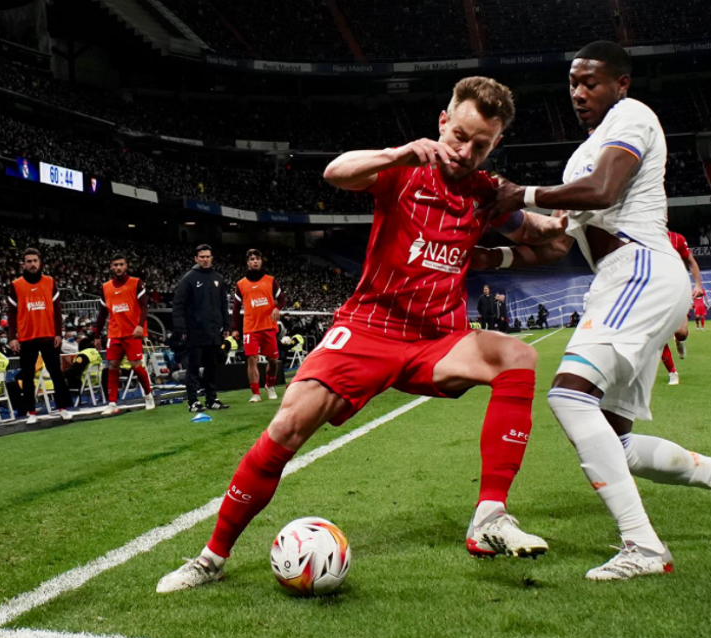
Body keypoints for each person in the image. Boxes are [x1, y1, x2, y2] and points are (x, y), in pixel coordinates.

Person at [158, 75, 566, 594]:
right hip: (370, 327)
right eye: (459, 136)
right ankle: (211, 557)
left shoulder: (487, 194)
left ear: (495, 145)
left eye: (480, 145)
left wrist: (525, 240)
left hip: (438, 338)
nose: (465, 151)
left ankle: (489, 518)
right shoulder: (402, 170)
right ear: (443, 122)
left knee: (516, 355)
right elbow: (336, 172)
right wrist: (398, 154)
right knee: (287, 426)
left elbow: (545, 245)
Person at [485, 41, 711, 581]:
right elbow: (552, 243)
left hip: (639, 269)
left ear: (621, 83)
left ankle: (643, 547)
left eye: (590, 81)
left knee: (569, 396)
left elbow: (604, 190)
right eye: (572, 83)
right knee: (613, 438)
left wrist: (519, 193)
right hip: (622, 280)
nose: (578, 93)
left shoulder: (632, 116)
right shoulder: (579, 158)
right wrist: (487, 247)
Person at [6, 248, 73, 424]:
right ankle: (32, 412)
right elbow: (12, 314)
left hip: (49, 335)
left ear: (40, 262)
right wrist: (12, 336)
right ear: (24, 264)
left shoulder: (50, 282)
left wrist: (59, 333)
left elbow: (58, 311)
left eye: (35, 260)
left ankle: (63, 408)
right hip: (27, 338)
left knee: (56, 373)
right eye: (29, 261)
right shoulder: (16, 285)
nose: (32, 264)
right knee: (27, 376)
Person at [173, 244, 232, 412]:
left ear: (212, 258)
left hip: (214, 332)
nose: (205, 259)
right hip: (195, 331)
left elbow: (223, 304)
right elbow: (178, 304)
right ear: (196, 259)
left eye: (208, 256)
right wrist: (181, 329)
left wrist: (226, 325)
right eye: (202, 257)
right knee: (193, 367)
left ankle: (211, 399)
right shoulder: (189, 278)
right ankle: (193, 401)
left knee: (212, 367)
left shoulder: (218, 278)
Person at [93, 253, 154, 415]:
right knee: (112, 365)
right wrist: (97, 335)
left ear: (126, 266)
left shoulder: (136, 283)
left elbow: (144, 307)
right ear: (111, 267)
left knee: (136, 366)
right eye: (115, 265)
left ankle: (148, 395)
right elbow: (102, 314)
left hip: (132, 333)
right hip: (114, 333)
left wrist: (140, 326)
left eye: (121, 264)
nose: (118, 268)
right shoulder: (105, 287)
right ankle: (112, 402)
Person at [233, 249, 284, 402]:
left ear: (261, 261)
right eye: (252, 259)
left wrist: (277, 308)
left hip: (268, 326)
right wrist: (235, 328)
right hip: (250, 328)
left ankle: (270, 385)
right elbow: (236, 308)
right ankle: (255, 393)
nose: (255, 261)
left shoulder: (270, 280)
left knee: (273, 360)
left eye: (257, 259)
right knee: (251, 359)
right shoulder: (241, 284)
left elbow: (281, 299)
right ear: (248, 262)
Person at [659, 230, 703, 387]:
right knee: (659, 337)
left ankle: (679, 340)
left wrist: (698, 284)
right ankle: (672, 373)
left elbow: (691, 262)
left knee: (681, 332)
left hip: (678, 289)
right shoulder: (641, 239)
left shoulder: (677, 239)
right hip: (655, 293)